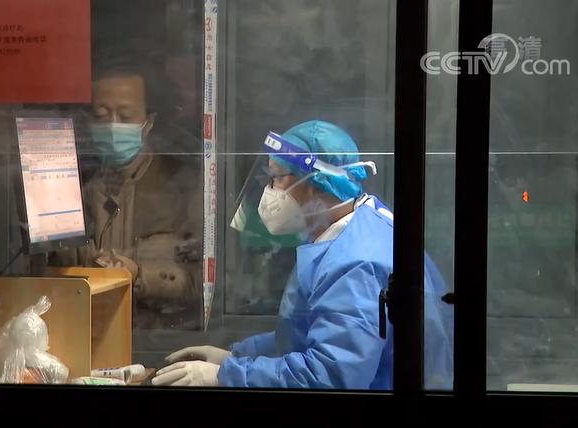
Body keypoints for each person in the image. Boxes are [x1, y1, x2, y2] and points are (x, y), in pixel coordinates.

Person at [152, 120, 453, 389]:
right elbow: (307, 335)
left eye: (277, 178)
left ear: (316, 183)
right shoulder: (354, 223)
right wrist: (237, 356)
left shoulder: (356, 263)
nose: (269, 191)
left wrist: (226, 375)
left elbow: (331, 375)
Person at [54, 63, 203, 330]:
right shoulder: (69, 185)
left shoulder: (182, 186)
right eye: (101, 115)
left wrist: (139, 274)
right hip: (78, 330)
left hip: (155, 337)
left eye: (125, 117)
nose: (113, 127)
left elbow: (207, 279)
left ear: (148, 123)